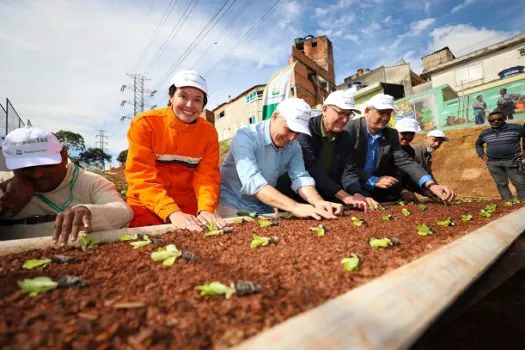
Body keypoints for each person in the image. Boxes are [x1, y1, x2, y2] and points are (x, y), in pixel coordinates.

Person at [125, 70, 224, 232]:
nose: (190, 105)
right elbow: (140, 177)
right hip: (147, 206)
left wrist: (206, 208)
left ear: (203, 105)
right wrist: (171, 211)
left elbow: (208, 177)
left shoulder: (208, 133)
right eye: (183, 96)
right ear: (171, 97)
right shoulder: (145, 124)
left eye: (197, 100)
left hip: (189, 209)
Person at [0, 127, 133, 243]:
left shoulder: (91, 182)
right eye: (25, 167)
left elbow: (122, 211)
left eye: (46, 164)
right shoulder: (5, 184)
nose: (37, 174)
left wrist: (89, 212)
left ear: (63, 156)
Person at [219, 97, 343, 219]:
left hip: (264, 207)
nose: (292, 138)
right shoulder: (246, 136)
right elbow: (253, 182)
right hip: (233, 205)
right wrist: (295, 206)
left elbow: (301, 177)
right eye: (289, 129)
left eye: (298, 133)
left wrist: (318, 202)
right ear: (275, 116)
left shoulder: (294, 146)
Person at [344, 94, 456, 203]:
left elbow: (405, 161)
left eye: (389, 113)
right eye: (381, 112)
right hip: (352, 187)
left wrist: (431, 185)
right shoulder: (350, 129)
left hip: (378, 191)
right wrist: (374, 180)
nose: (386, 118)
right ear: (367, 111)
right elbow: (345, 165)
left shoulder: (391, 134)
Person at [287, 90, 377, 211]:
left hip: (330, 196)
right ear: (324, 109)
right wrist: (344, 196)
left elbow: (348, 170)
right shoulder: (305, 131)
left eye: (348, 114)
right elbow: (311, 167)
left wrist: (356, 193)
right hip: (301, 196)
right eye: (341, 113)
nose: (345, 120)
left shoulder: (346, 137)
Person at [475, 111, 525, 201]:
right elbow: (478, 145)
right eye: (492, 120)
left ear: (504, 119)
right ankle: (509, 204)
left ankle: (523, 204)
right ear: (489, 121)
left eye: (499, 119)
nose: (496, 121)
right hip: (493, 163)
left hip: (512, 161)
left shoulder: (516, 128)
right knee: (501, 184)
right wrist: (482, 155)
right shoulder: (485, 133)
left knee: (520, 183)